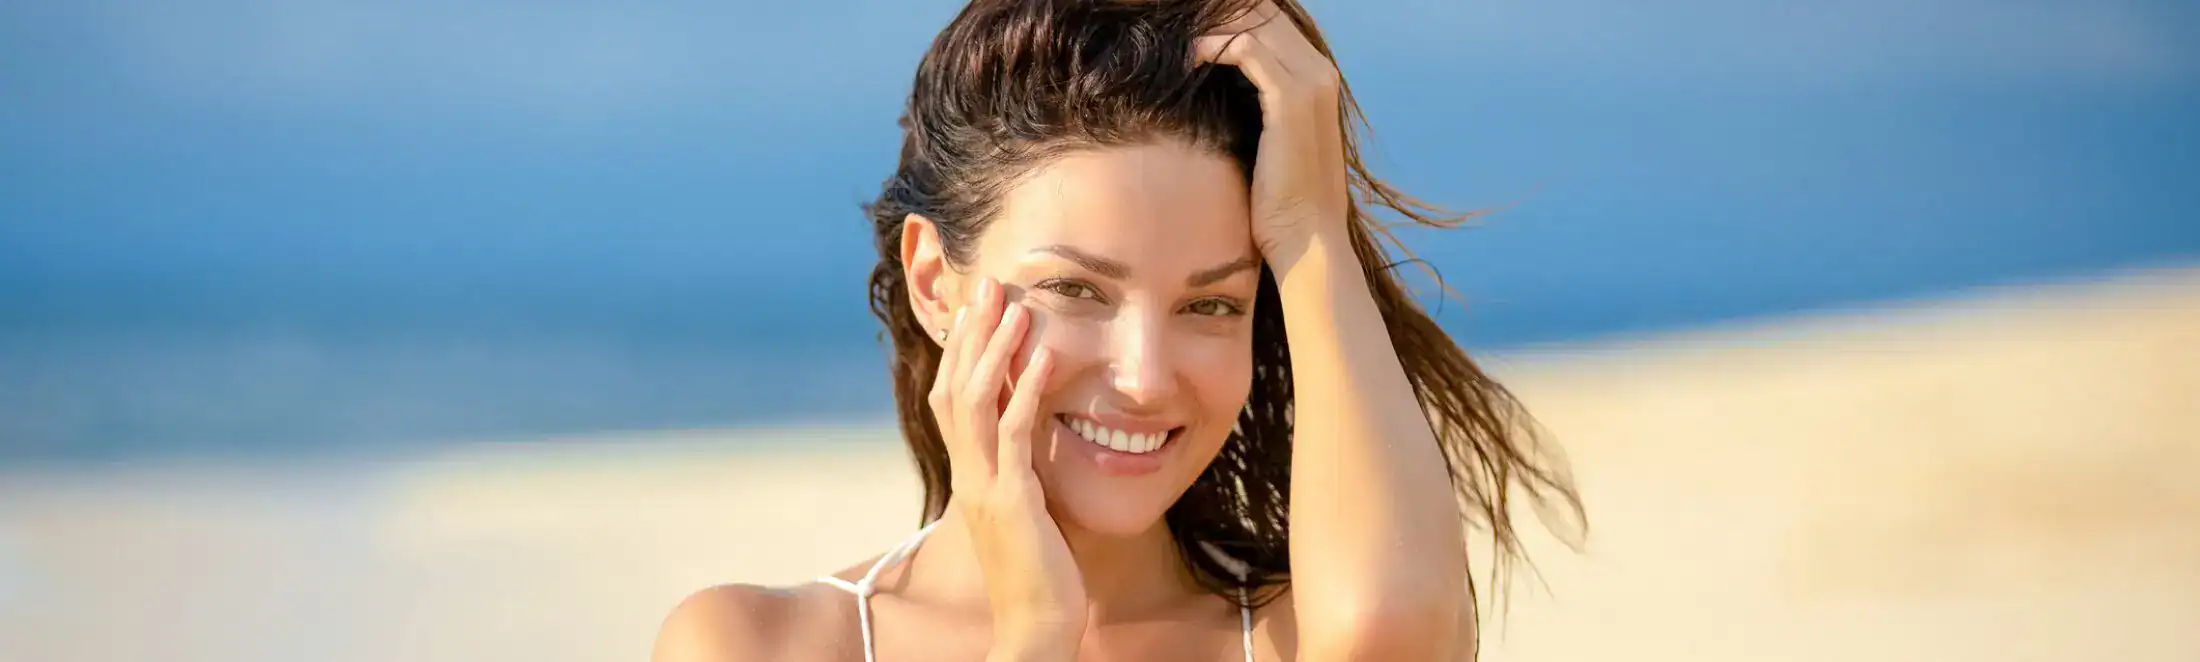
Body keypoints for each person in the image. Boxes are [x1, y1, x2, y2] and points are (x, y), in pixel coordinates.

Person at [653, 1, 1580, 660]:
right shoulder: (754, 646)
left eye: (1211, 305)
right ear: (934, 281)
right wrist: (1032, 637)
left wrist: (1310, 232)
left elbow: (1393, 634)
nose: (1144, 376)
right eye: (1078, 290)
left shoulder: (1299, 635)